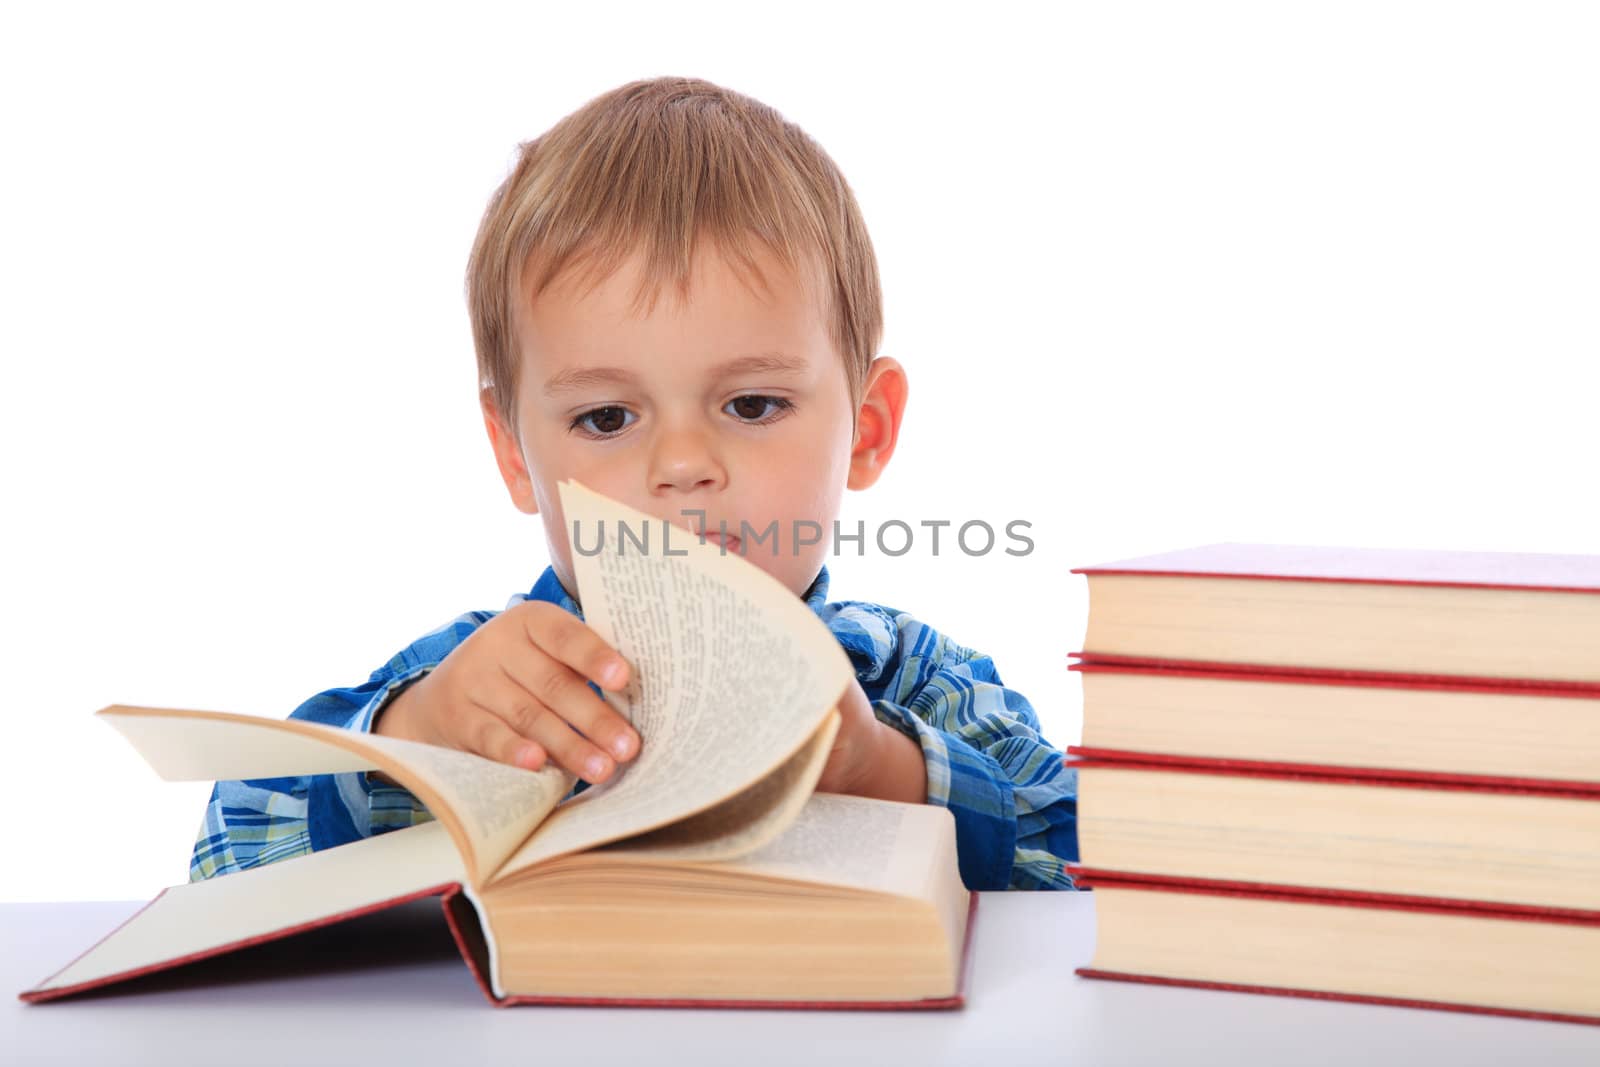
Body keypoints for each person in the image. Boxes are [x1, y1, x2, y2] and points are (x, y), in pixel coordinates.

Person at [190, 75, 1078, 891]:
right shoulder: (473, 691)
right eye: (608, 419)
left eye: (754, 403)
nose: (682, 465)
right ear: (514, 455)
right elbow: (226, 863)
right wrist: (419, 737)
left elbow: (1096, 868)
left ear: (867, 430)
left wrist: (880, 767)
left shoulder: (918, 681)